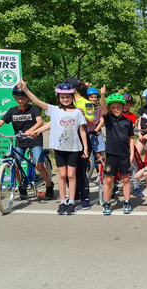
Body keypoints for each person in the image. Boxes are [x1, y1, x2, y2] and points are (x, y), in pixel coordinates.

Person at [23, 80, 88, 215]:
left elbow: (82, 131)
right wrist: (26, 90)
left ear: (72, 97)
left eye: (68, 97)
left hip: (74, 149)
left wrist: (86, 148)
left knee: (71, 175)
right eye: (62, 97)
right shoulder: (54, 110)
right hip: (59, 148)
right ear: (58, 98)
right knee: (62, 174)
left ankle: (71, 202)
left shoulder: (78, 112)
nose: (65, 99)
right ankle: (63, 202)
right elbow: (37, 102)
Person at [0, 85, 54, 200]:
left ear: (28, 98)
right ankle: (21, 187)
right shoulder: (12, 111)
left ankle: (49, 185)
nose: (20, 100)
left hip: (34, 139)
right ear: (15, 98)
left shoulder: (34, 109)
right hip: (20, 141)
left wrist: (31, 130)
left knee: (39, 165)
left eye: (23, 98)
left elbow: (40, 122)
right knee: (15, 167)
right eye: (18, 98)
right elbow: (1, 122)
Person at [96, 90, 135, 215]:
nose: (116, 109)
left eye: (118, 107)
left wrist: (132, 154)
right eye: (113, 107)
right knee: (108, 179)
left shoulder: (128, 122)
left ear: (123, 107)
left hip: (124, 154)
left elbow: (131, 139)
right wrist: (102, 95)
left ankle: (127, 202)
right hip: (111, 154)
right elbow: (103, 107)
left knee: (125, 180)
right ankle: (107, 203)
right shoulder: (108, 119)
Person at [66, 76, 94, 210]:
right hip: (67, 140)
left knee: (80, 170)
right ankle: (74, 196)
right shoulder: (64, 103)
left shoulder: (87, 103)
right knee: (67, 171)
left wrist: (82, 115)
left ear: (73, 89)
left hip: (82, 139)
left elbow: (91, 123)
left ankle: (85, 197)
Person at [85, 87, 105, 164]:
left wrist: (96, 130)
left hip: (96, 133)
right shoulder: (86, 107)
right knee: (85, 154)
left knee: (99, 154)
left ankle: (100, 174)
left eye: (95, 97)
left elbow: (102, 120)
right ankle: (86, 173)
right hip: (87, 132)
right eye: (91, 97)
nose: (93, 99)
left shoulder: (98, 108)